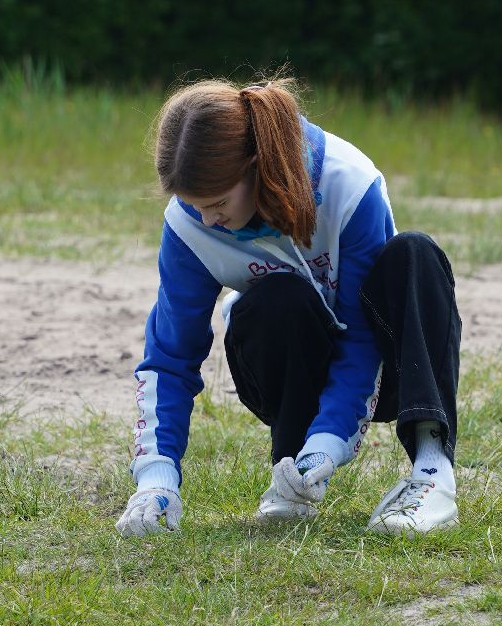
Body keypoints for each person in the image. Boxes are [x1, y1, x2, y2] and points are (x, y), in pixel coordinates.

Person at [116, 76, 462, 537]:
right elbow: (170, 357)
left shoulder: (347, 183)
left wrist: (329, 442)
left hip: (386, 366)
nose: (206, 219)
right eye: (192, 205)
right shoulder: (189, 225)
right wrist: (156, 478)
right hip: (284, 375)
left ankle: (432, 473)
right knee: (277, 296)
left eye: (217, 202)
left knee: (415, 253)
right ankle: (292, 473)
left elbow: (362, 335)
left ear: (255, 167)